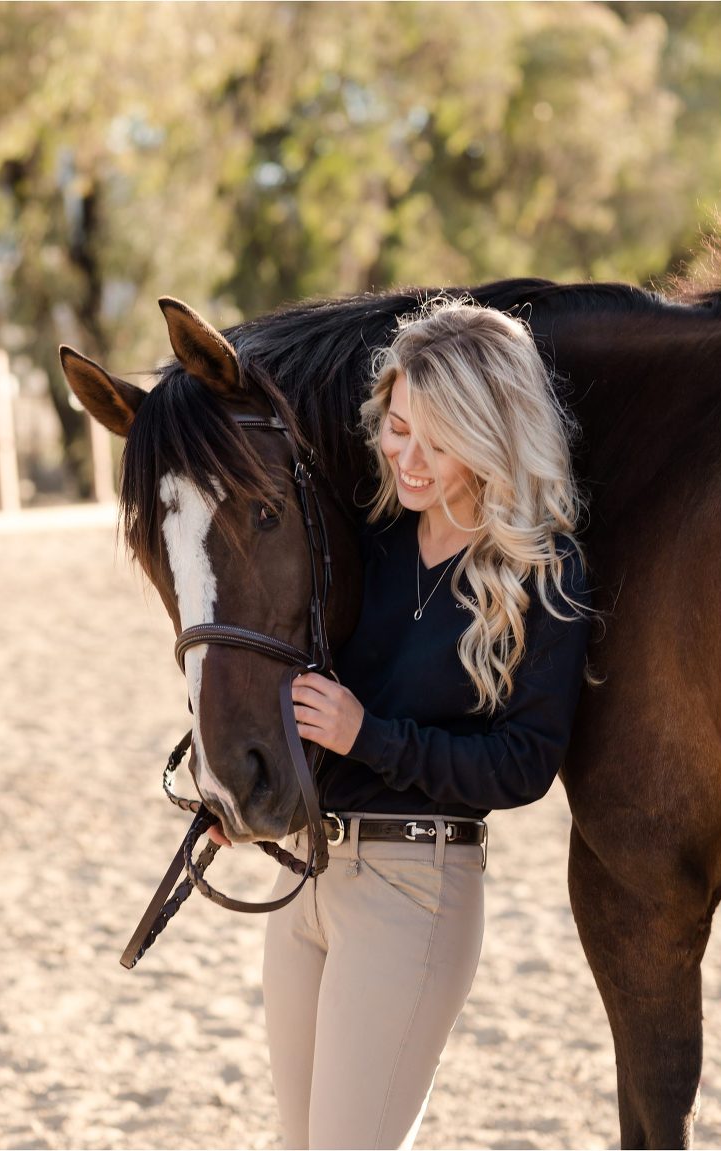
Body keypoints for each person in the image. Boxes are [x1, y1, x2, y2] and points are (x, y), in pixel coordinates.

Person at [222, 298, 593, 1150]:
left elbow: (523, 766)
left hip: (415, 889)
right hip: (308, 875)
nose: (408, 457)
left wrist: (370, 737)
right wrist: (248, 791)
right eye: (397, 426)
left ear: (492, 434)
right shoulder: (368, 542)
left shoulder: (542, 575)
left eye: (438, 437)